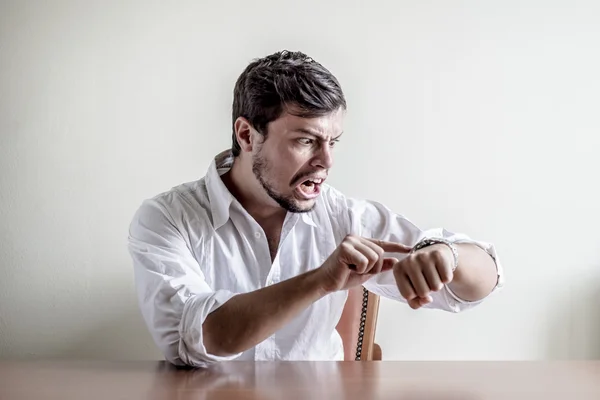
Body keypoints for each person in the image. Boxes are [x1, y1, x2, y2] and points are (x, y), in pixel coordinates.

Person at [127, 50, 504, 368]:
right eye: (306, 140)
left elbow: (484, 278)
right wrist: (320, 280)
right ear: (247, 135)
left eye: (333, 142)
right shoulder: (166, 219)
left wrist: (447, 255)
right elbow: (200, 337)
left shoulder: (343, 216)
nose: (326, 161)